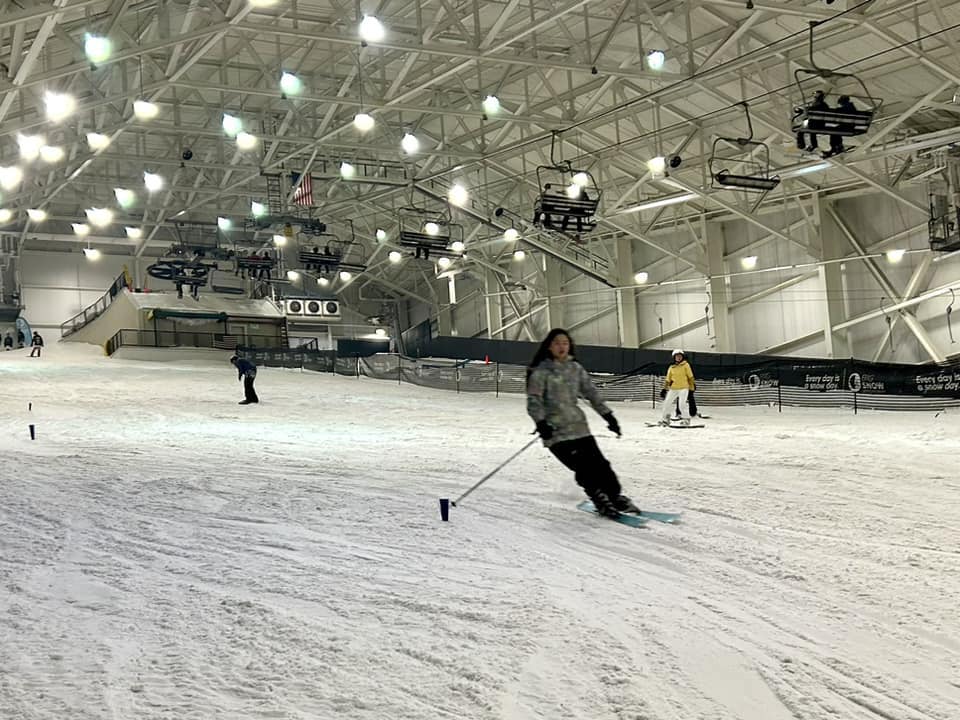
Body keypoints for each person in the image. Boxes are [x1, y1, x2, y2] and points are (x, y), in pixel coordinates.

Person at [526, 328, 638, 519]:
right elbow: (533, 401)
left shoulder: (575, 369)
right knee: (583, 468)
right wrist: (541, 423)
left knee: (601, 465)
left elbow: (592, 393)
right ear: (549, 346)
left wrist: (608, 416)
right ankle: (599, 498)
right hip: (556, 432)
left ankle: (614, 496)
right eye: (557, 343)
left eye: (565, 343)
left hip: (579, 428)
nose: (561, 347)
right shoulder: (540, 371)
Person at [659, 349, 695, 426]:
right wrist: (664, 389)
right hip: (673, 388)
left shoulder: (686, 365)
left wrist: (692, 387)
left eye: (680, 356)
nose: (678, 357)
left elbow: (691, 377)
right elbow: (668, 380)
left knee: (681, 405)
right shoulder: (671, 367)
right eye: (677, 356)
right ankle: (665, 419)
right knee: (666, 403)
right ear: (674, 357)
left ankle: (686, 420)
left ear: (682, 357)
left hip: (684, 388)